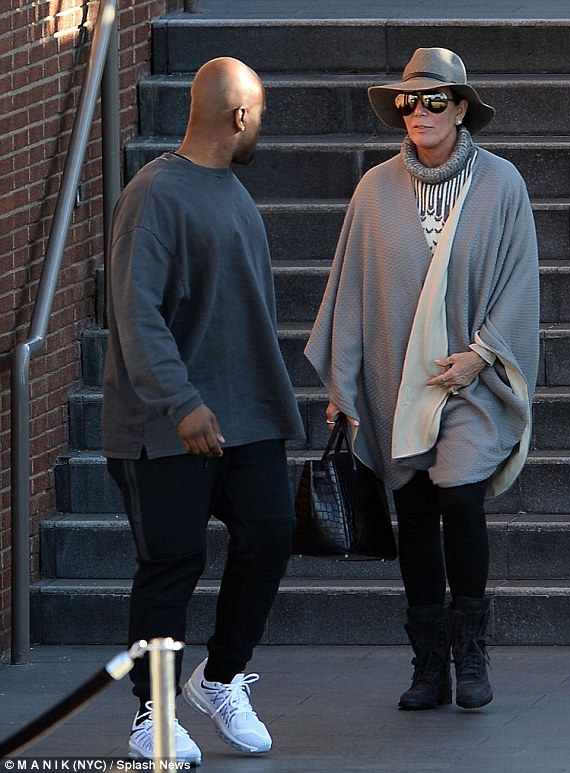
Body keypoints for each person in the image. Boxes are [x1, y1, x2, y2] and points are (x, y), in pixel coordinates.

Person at [305, 48, 539, 712]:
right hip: (392, 378)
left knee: (460, 495)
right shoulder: (374, 189)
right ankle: (429, 662)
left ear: (461, 109)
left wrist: (483, 353)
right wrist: (341, 384)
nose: (419, 113)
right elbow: (351, 289)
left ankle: (472, 652)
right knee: (412, 512)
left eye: (435, 101)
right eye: (409, 102)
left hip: (469, 381)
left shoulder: (502, 184)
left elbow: (521, 281)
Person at [102, 57, 305, 763]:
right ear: (240, 116)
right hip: (166, 427)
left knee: (273, 533)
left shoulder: (231, 191)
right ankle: (152, 715)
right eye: (262, 115)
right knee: (172, 564)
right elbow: (135, 312)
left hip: (247, 416)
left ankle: (218, 677)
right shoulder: (154, 194)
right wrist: (181, 401)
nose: (262, 128)